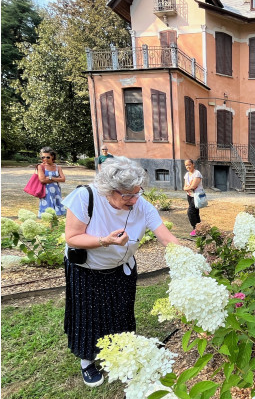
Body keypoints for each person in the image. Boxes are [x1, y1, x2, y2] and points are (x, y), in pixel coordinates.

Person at [62, 157, 178, 387]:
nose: (135, 199)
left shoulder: (140, 204)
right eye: (128, 195)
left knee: (122, 314)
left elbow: (166, 236)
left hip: (121, 269)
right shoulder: (86, 197)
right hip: (87, 270)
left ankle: (124, 358)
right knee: (88, 316)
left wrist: (186, 256)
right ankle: (88, 361)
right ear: (110, 191)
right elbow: (72, 237)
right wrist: (104, 241)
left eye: (138, 192)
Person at [37, 146, 66, 217]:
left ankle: (54, 227)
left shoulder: (57, 167)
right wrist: (56, 178)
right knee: (48, 212)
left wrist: (50, 178)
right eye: (43, 157)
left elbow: (63, 179)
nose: (45, 159)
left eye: (47, 157)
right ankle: (50, 227)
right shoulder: (40, 166)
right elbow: (42, 180)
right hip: (46, 191)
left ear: (52, 156)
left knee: (57, 213)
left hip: (56, 191)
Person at [183, 159, 204, 236]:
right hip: (189, 196)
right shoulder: (187, 175)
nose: (188, 166)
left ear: (193, 164)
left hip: (197, 196)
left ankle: (195, 229)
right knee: (195, 212)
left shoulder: (197, 173)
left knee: (190, 212)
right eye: (186, 165)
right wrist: (187, 188)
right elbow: (184, 187)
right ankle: (201, 228)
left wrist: (187, 188)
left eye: (189, 164)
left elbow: (193, 186)